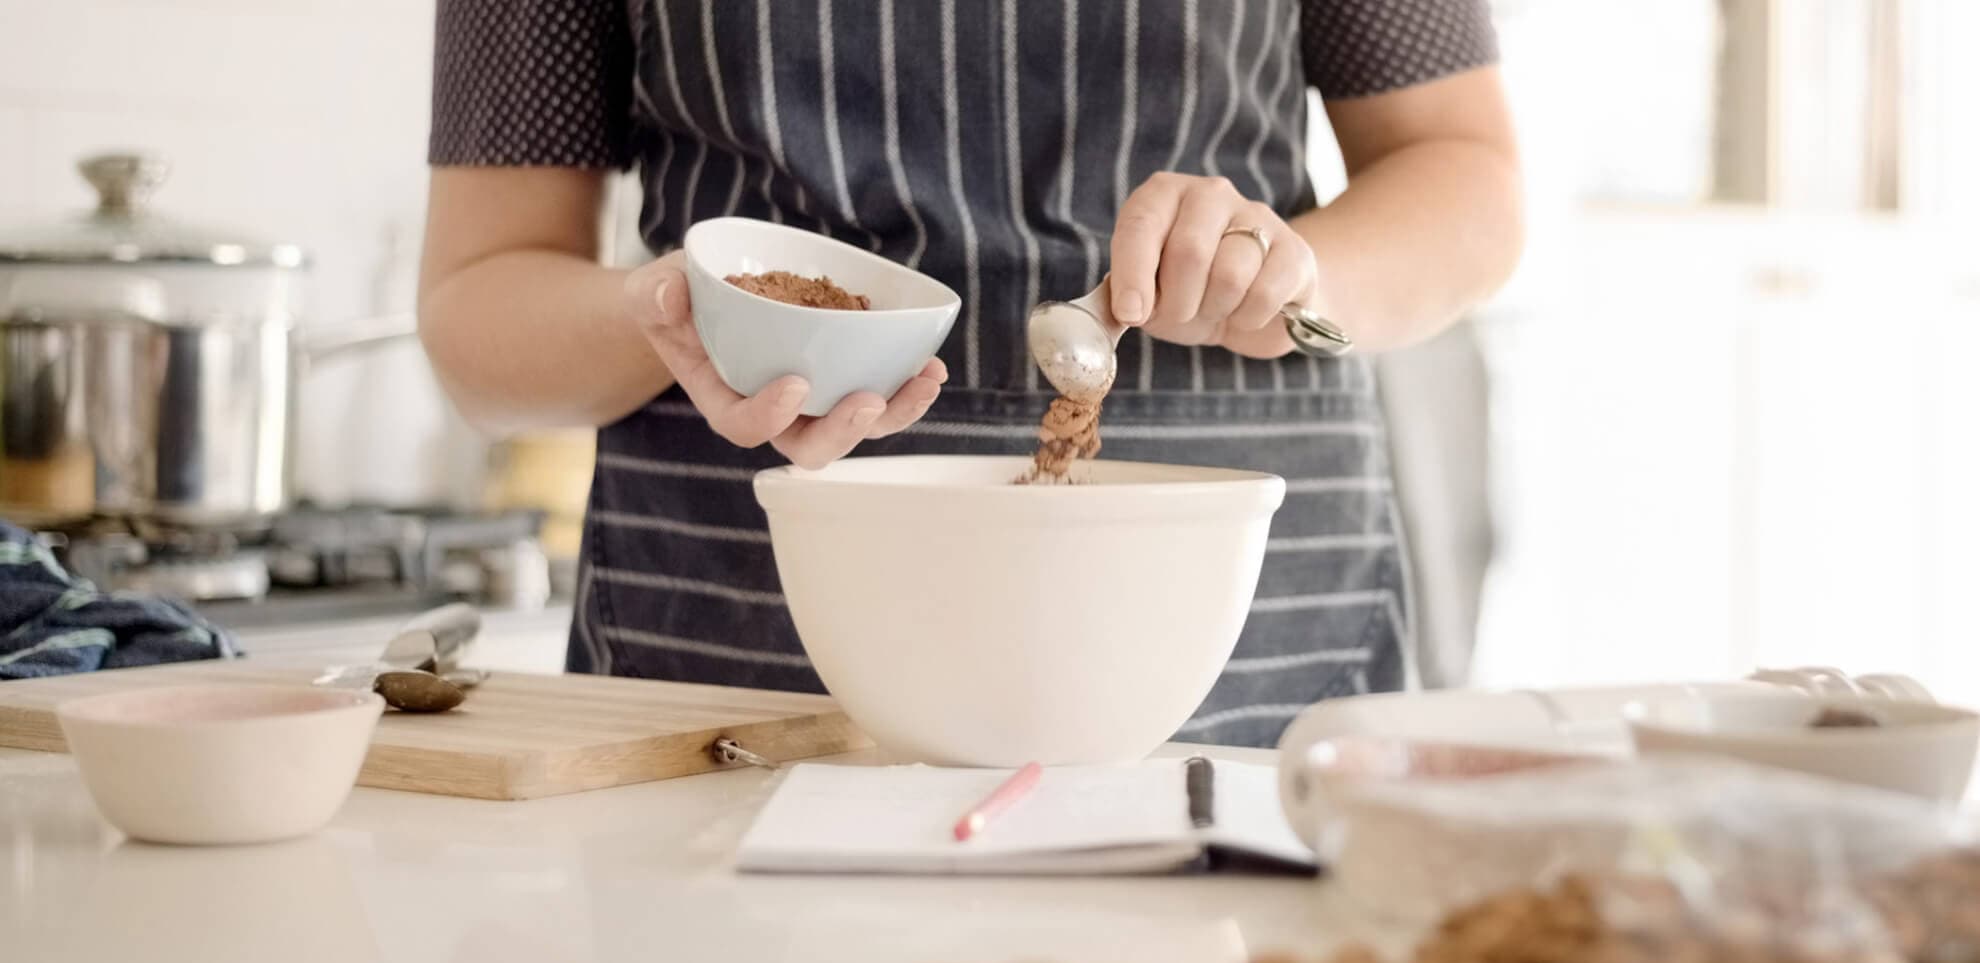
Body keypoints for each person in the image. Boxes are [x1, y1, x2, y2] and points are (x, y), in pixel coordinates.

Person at [419, 0, 1522, 747]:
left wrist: (1300, 288)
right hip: (741, 637)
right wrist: (669, 311)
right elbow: (479, 305)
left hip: (1241, 634)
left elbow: (1465, 175)